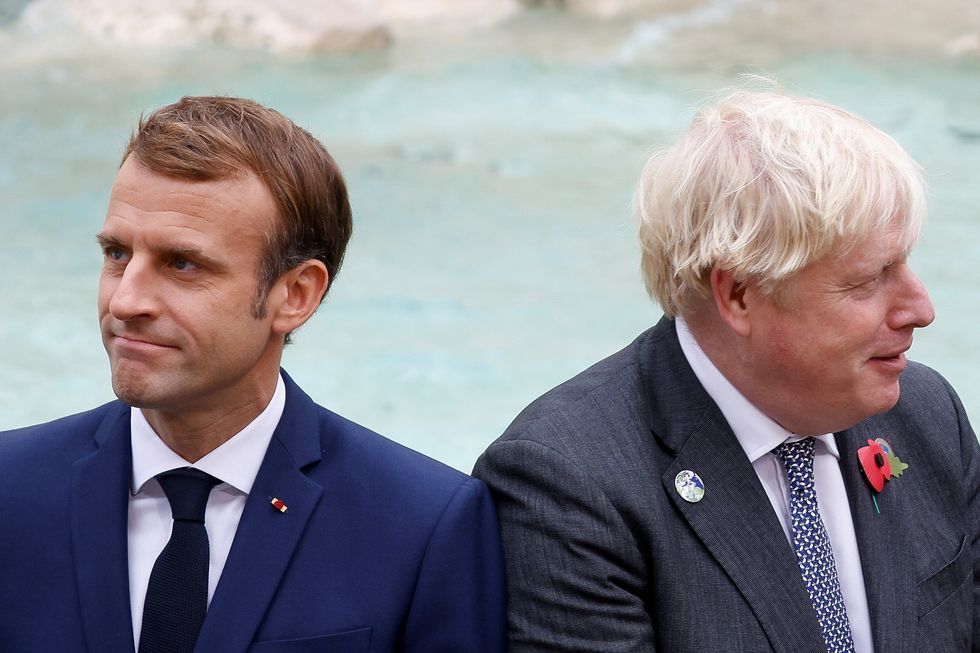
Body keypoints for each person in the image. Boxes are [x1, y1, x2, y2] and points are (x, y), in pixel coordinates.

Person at [474, 89, 979, 652]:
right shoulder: (569, 485)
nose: (922, 309)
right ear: (739, 294)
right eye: (868, 279)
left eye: (906, 263)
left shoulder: (927, 413)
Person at [0, 96, 505, 653]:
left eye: (182, 264)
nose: (125, 301)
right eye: (117, 253)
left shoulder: (424, 526)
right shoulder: (9, 491)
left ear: (295, 295)